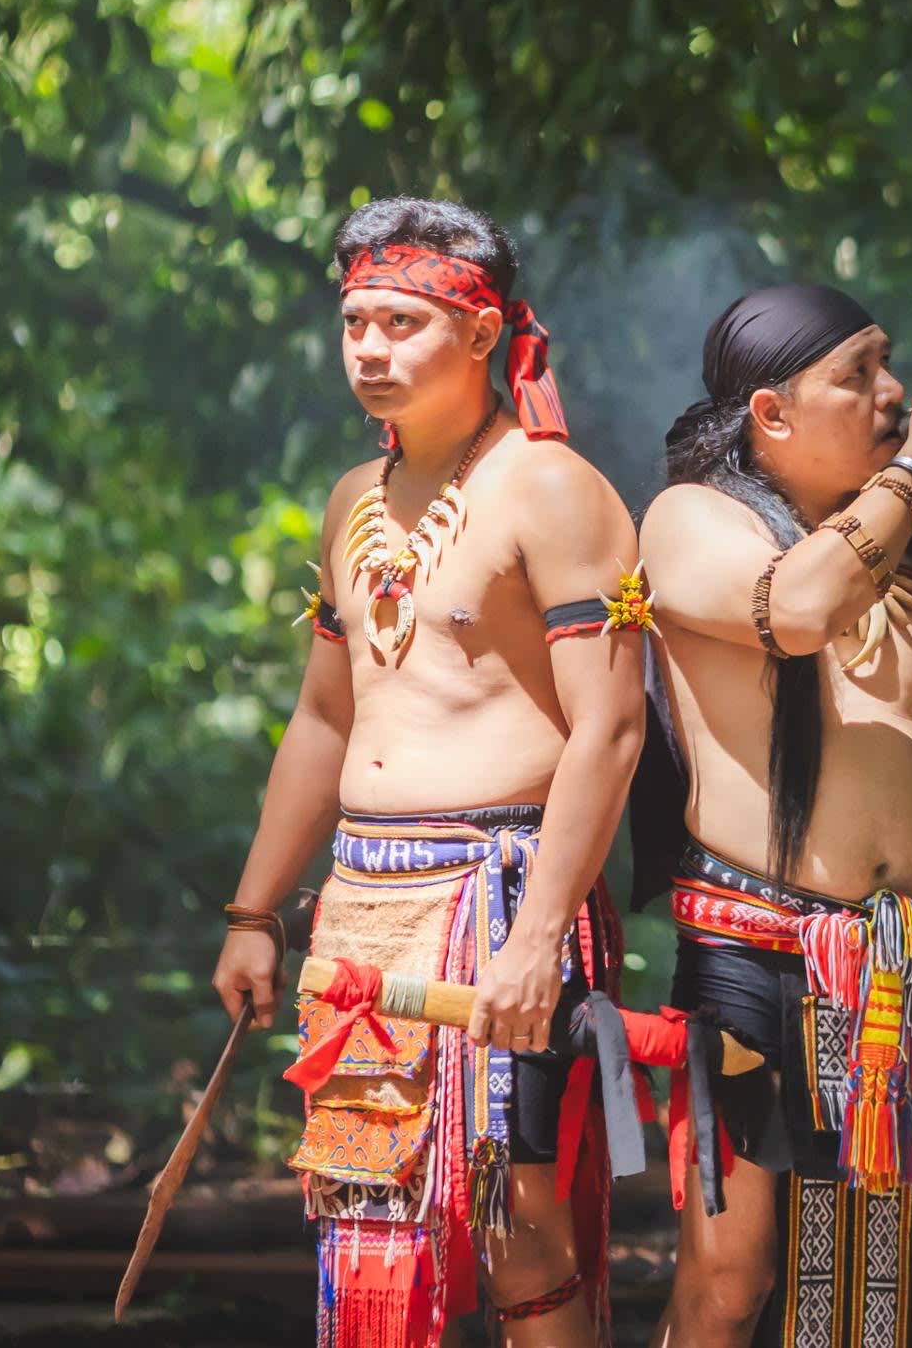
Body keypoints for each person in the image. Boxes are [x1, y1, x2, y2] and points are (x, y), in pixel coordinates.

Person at [209, 196, 651, 1346]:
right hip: (362, 899)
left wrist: (537, 935)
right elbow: (323, 717)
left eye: (401, 322)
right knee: (366, 1212)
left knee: (519, 1221)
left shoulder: (552, 487)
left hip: (495, 891)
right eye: (354, 321)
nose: (369, 348)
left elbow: (611, 728)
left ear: (483, 330)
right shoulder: (352, 499)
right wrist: (255, 911)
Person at [635, 284, 912, 1348]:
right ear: (771, 413)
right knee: (727, 1284)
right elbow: (797, 608)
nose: (894, 392)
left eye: (890, 365)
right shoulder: (693, 517)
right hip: (757, 957)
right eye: (858, 373)